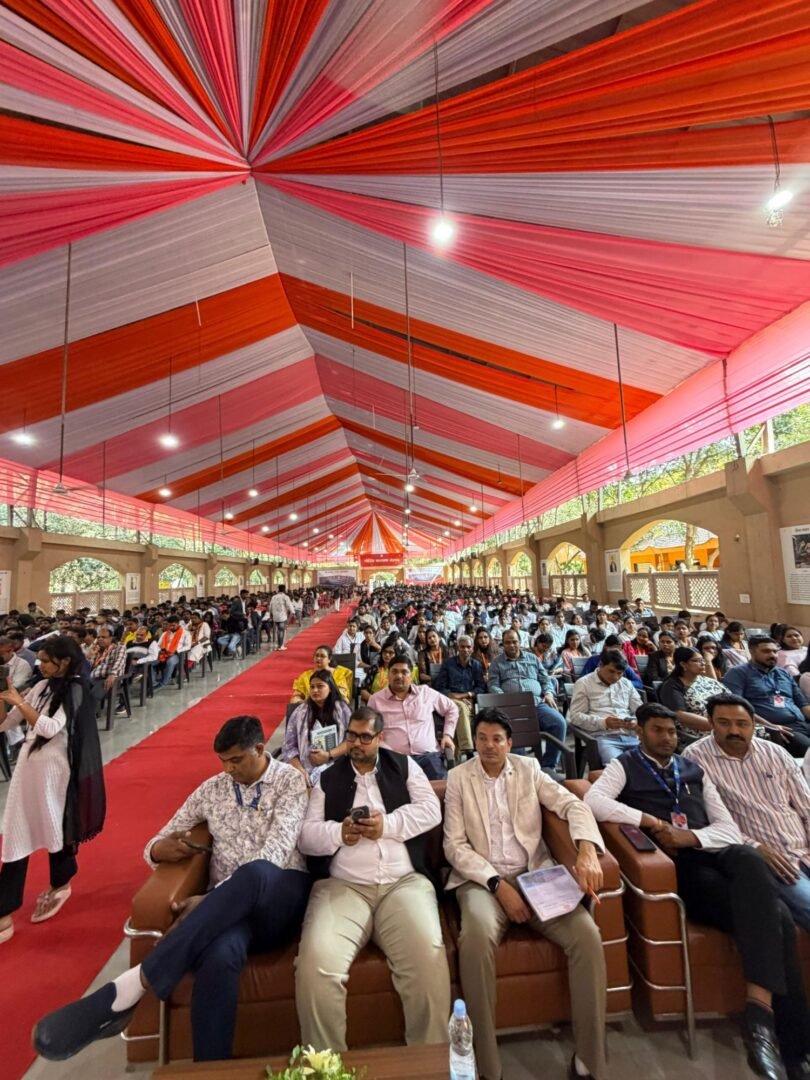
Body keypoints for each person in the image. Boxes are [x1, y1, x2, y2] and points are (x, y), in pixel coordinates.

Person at [33, 715, 310, 1063]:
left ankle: (133, 985)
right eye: (223, 761)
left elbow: (275, 852)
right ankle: (209, 1069)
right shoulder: (213, 789)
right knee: (219, 956)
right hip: (227, 915)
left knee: (256, 873)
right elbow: (157, 840)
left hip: (279, 895)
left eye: (236, 760)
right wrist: (158, 850)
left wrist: (211, 899)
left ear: (259, 749)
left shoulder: (289, 782)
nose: (228, 769)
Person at [585, 703, 810, 1080]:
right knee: (779, 918)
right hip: (686, 869)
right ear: (640, 732)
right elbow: (593, 801)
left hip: (710, 849)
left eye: (672, 731)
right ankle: (791, 1045)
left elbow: (728, 829)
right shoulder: (626, 765)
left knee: (749, 857)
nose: (667, 738)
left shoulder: (692, 769)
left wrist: (691, 836)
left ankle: (761, 1021)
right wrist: (652, 822)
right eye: (657, 730)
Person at [444, 707, 608, 1080]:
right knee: (475, 939)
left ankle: (589, 1062)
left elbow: (573, 804)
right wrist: (497, 885)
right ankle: (488, 1067)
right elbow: (454, 846)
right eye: (482, 738)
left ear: (510, 743)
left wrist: (585, 849)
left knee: (587, 935)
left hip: (535, 875)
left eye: (496, 739)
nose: (488, 746)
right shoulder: (458, 778)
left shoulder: (529, 769)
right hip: (481, 880)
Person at [295, 706, 451, 1052]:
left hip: (403, 884)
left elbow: (431, 810)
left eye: (365, 737)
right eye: (352, 735)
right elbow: (306, 836)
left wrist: (388, 826)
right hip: (344, 886)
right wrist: (339, 833)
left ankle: (428, 1066)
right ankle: (327, 1069)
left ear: (380, 738)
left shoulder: (405, 766)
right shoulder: (328, 778)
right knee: (315, 966)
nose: (357, 743)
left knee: (427, 960)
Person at [0, 636, 104, 943]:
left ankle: (61, 882)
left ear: (65, 661)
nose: (41, 665)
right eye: (41, 660)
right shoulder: (42, 686)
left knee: (54, 827)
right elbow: (7, 723)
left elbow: (48, 728)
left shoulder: (76, 688)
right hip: (28, 768)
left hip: (54, 772)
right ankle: (5, 909)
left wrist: (19, 701)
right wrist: (4, 698)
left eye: (46, 661)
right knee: (16, 834)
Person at [683, 693, 810, 933]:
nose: (734, 731)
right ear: (710, 722)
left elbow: (806, 806)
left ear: (753, 723)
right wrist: (754, 847)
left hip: (804, 847)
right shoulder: (695, 758)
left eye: (742, 724)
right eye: (724, 723)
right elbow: (708, 822)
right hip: (774, 863)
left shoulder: (775, 753)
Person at [367, 657, 458, 780]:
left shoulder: (425, 693)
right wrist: (383, 749)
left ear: (411, 676)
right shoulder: (375, 700)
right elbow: (369, 731)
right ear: (388, 675)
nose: (399, 676)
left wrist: (447, 735)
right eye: (394, 671)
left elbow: (452, 708)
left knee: (444, 788)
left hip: (428, 757)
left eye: (404, 672)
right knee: (391, 789)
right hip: (394, 759)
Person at [488, 630, 567, 770]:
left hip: (536, 703)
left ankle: (548, 766)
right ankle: (520, 769)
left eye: (514, 642)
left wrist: (548, 693)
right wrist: (504, 699)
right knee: (515, 731)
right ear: (503, 644)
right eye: (507, 643)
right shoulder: (496, 663)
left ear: (520, 642)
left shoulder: (533, 659)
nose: (511, 645)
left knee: (559, 723)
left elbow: (545, 679)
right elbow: (493, 685)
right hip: (512, 707)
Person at [724, 636, 810, 756]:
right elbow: (737, 707)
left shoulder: (783, 673)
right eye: (766, 651)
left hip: (802, 723)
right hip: (778, 727)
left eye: (774, 651)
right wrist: (769, 726)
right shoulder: (738, 673)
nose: (772, 655)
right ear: (752, 651)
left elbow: (803, 704)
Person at [568, 650, 642, 764]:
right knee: (618, 766)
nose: (615, 677)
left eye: (620, 673)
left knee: (652, 763)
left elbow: (641, 711)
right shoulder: (584, 684)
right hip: (603, 737)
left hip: (630, 736)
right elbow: (575, 717)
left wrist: (636, 721)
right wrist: (604, 723)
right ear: (601, 665)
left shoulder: (626, 683)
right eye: (611, 671)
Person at [283, 671, 351, 786]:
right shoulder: (300, 712)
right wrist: (300, 771)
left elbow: (351, 741)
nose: (315, 690)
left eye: (320, 686)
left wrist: (328, 755)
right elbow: (289, 747)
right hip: (304, 769)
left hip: (337, 765)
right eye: (312, 687)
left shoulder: (343, 710)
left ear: (330, 688)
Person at [432, 634, 483, 757]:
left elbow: (481, 688)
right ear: (457, 648)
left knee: (460, 712)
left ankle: (455, 759)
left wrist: (468, 695)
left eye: (468, 647)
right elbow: (440, 688)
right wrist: (458, 697)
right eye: (462, 647)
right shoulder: (448, 664)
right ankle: (468, 749)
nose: (465, 650)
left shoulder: (476, 665)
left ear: (472, 649)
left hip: (469, 701)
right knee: (459, 707)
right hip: (449, 701)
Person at [657, 647, 724, 735]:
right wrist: (717, 726)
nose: (703, 663)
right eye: (696, 661)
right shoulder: (671, 686)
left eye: (702, 660)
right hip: (699, 731)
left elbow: (728, 697)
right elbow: (680, 715)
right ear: (683, 664)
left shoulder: (706, 680)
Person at [87, 626, 127, 716]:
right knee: (78, 689)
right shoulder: (96, 648)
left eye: (103, 637)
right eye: (98, 637)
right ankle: (88, 714)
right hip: (94, 677)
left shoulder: (119, 647)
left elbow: (119, 661)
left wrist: (112, 674)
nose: (100, 639)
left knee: (94, 694)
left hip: (111, 679)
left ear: (110, 638)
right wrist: (91, 655)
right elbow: (90, 666)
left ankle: (89, 718)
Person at [154, 616, 191, 689]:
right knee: (151, 662)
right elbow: (158, 645)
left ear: (178, 624)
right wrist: (160, 650)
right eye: (170, 625)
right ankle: (153, 683)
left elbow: (188, 646)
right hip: (164, 653)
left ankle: (163, 682)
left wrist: (176, 651)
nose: (171, 627)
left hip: (177, 654)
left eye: (173, 625)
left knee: (170, 661)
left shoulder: (185, 633)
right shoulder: (165, 634)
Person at [269, 586, 295, 651]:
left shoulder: (273, 597)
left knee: (278, 630)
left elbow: (270, 606)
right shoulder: (285, 597)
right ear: (284, 590)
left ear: (278, 590)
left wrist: (271, 614)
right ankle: (280, 646)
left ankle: (279, 645)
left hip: (275, 616)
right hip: (282, 615)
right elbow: (289, 605)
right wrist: (293, 612)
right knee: (281, 630)